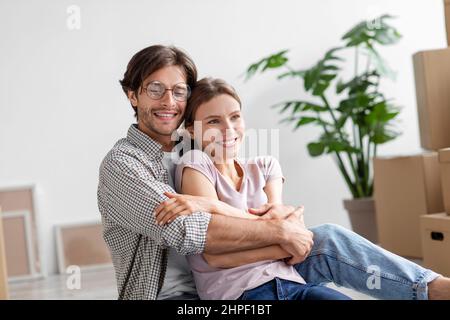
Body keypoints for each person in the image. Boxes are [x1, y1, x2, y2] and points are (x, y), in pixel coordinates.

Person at [97, 44, 450, 300]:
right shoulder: (123, 165)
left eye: (178, 91)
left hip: (246, 272)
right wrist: (280, 231)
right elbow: (193, 233)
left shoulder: (196, 150)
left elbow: (262, 200)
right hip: (181, 298)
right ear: (133, 95)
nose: (169, 102)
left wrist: (284, 222)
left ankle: (432, 289)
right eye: (155, 90)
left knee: (325, 239)